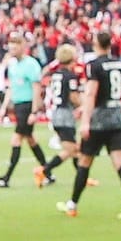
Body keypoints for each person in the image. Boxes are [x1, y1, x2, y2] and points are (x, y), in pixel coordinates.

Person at [60, 30, 121, 220]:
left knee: (84, 162)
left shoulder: (93, 65)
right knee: (120, 162)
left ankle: (72, 205)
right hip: (117, 116)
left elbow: (91, 93)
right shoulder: (119, 64)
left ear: (96, 44)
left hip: (99, 119)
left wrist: (85, 120)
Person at [0, 33, 49, 188]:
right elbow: (11, 87)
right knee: (31, 139)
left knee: (16, 139)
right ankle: (48, 172)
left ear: (22, 47)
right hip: (18, 105)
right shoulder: (12, 65)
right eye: (10, 45)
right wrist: (4, 107)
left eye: (15, 45)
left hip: (27, 105)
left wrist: (34, 111)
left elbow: (36, 88)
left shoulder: (31, 64)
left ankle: (6, 177)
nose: (12, 48)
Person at [38, 44, 81, 186]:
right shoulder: (70, 76)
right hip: (65, 114)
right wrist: (84, 105)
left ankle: (82, 178)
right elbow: (73, 97)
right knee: (70, 150)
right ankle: (44, 170)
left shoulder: (55, 74)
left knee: (75, 149)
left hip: (55, 112)